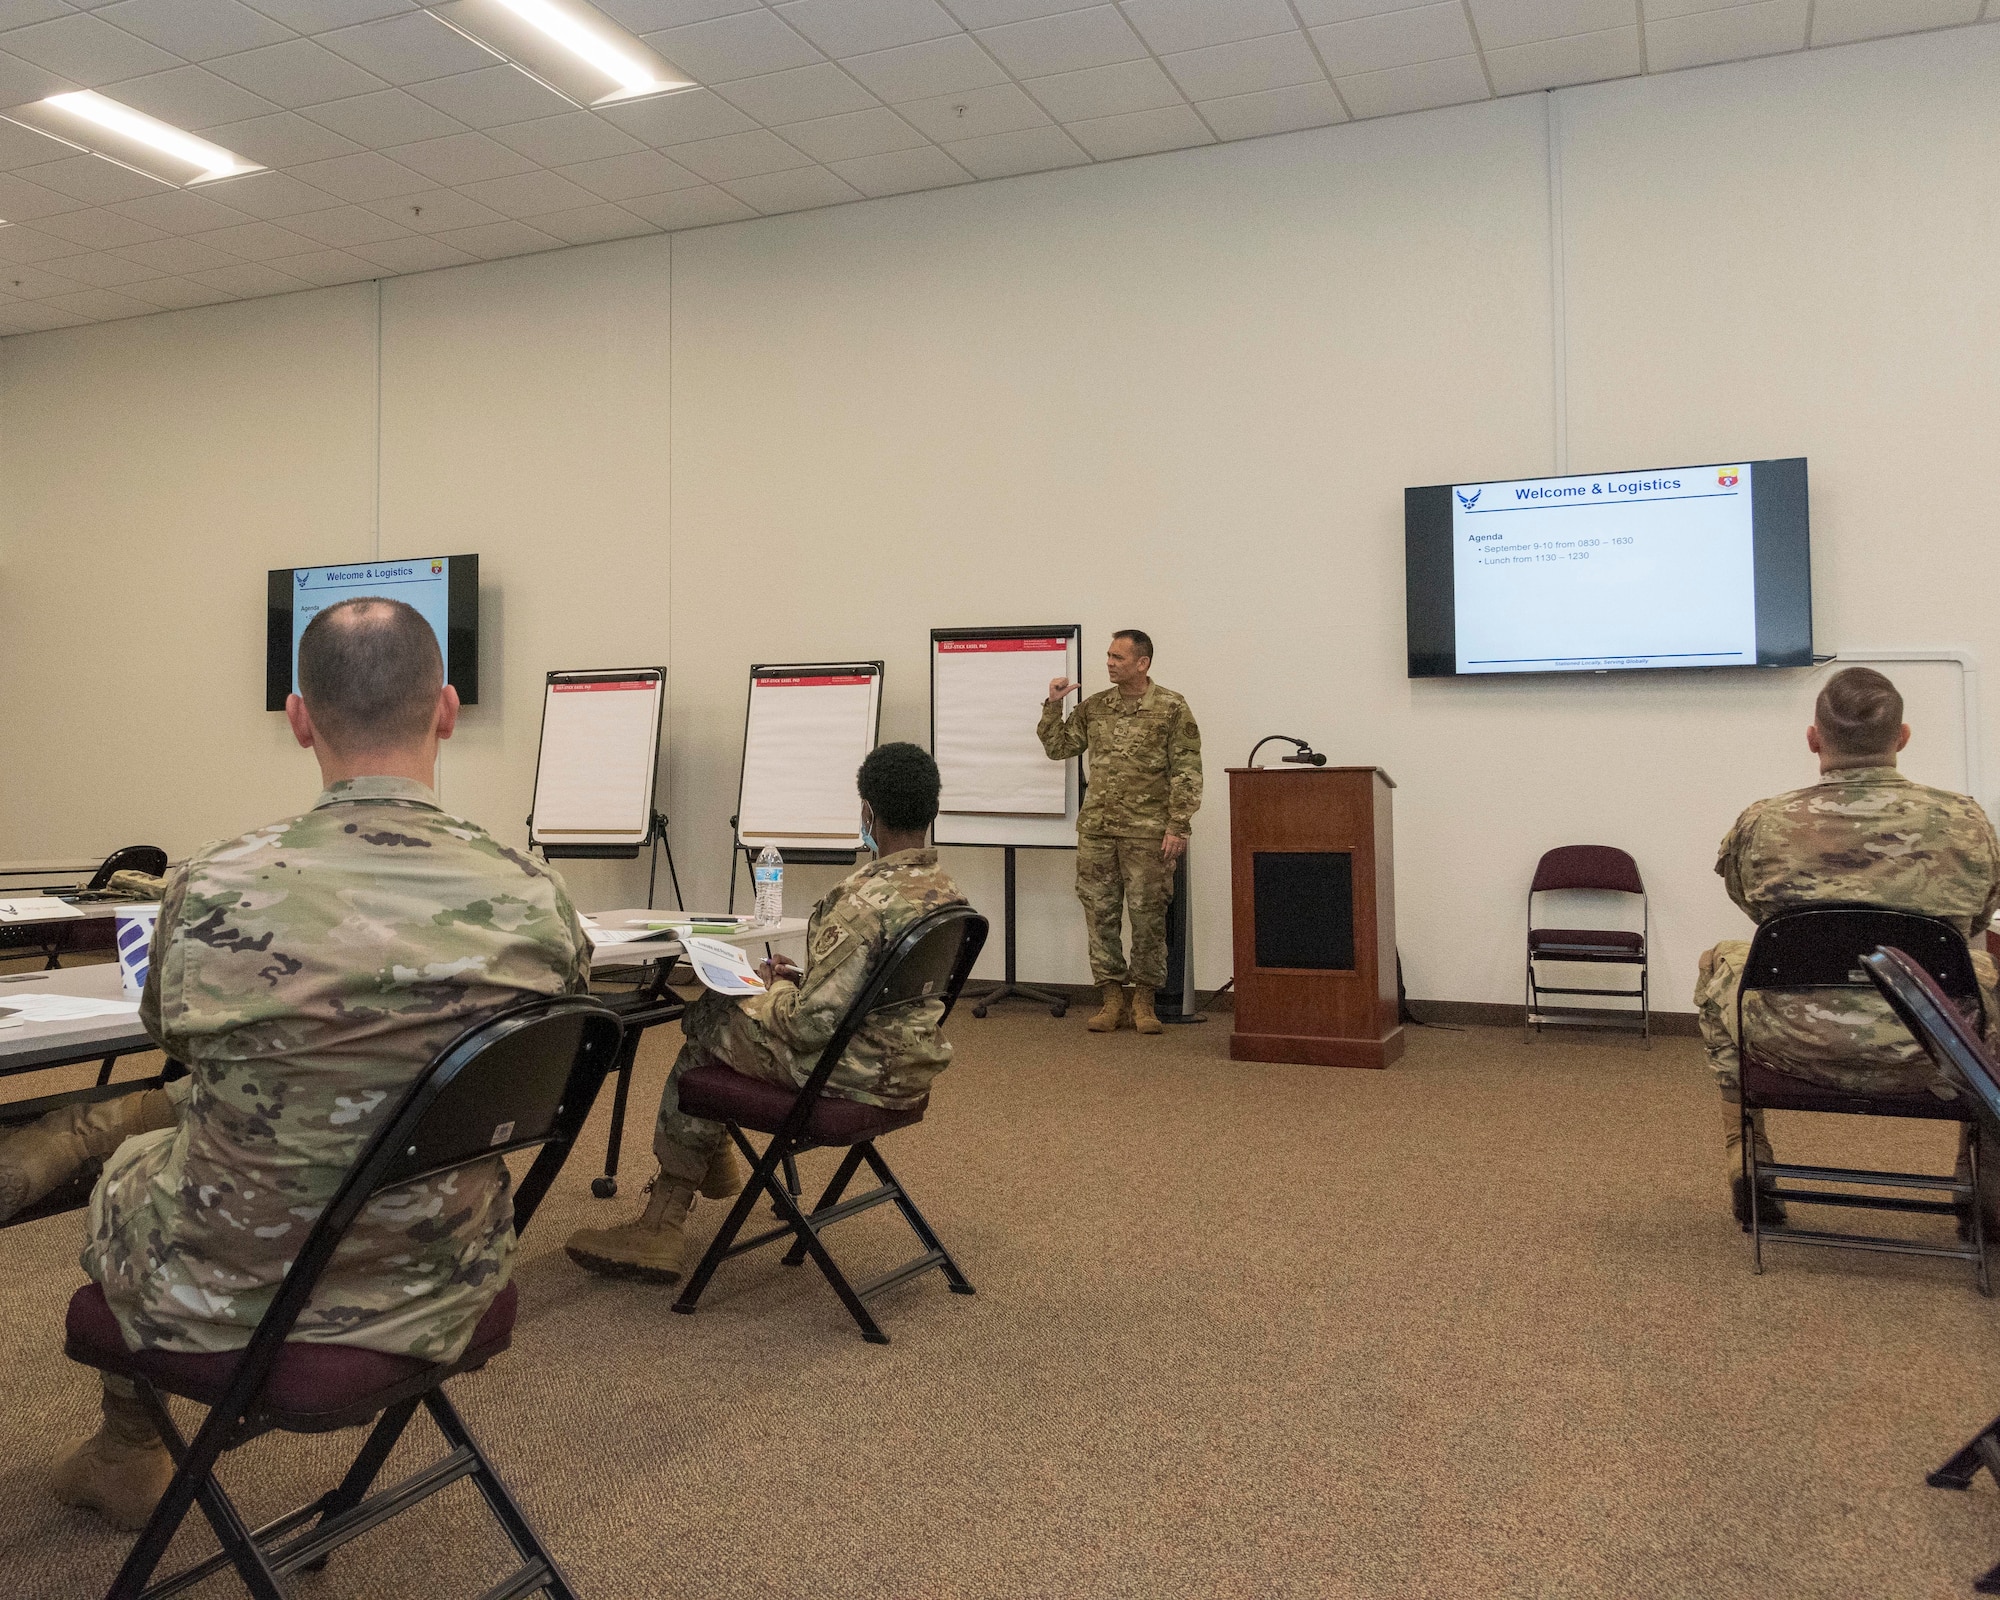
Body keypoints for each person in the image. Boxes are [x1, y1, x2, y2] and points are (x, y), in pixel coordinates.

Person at [0, 597, 588, 1529]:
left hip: (231, 1281)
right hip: (442, 1273)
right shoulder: (535, 897)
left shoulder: (216, 885)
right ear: (447, 707)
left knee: (125, 1171)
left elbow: (176, 1044)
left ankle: (128, 1449)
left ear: (299, 717)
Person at [565, 742, 965, 1284]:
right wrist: (801, 981)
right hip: (908, 1062)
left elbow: (807, 1027)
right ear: (932, 810)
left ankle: (662, 1220)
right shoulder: (945, 892)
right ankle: (715, 1153)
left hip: (852, 1072)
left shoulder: (862, 901)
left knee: (708, 1017)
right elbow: (876, 985)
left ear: (867, 811)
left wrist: (772, 992)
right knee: (737, 1013)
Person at [1694, 667, 2000, 1225]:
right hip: (1935, 1045)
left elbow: (1758, 914)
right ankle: (1983, 1190)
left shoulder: (1763, 822)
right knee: (1986, 974)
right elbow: (1975, 920)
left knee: (1719, 961)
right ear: (1902, 737)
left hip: (1795, 1038)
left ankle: (1749, 1163)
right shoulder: (1966, 822)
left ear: (1814, 738)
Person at [1037, 630, 1203, 1035]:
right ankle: (1111, 998)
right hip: (1098, 830)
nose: (1109, 663)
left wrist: (1179, 826)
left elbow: (1187, 769)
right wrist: (1053, 706)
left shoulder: (1170, 707)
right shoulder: (1096, 707)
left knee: (1148, 918)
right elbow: (1058, 748)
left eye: (1118, 657)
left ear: (1142, 663)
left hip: (1148, 833)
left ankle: (1144, 1000)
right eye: (1108, 656)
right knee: (1100, 915)